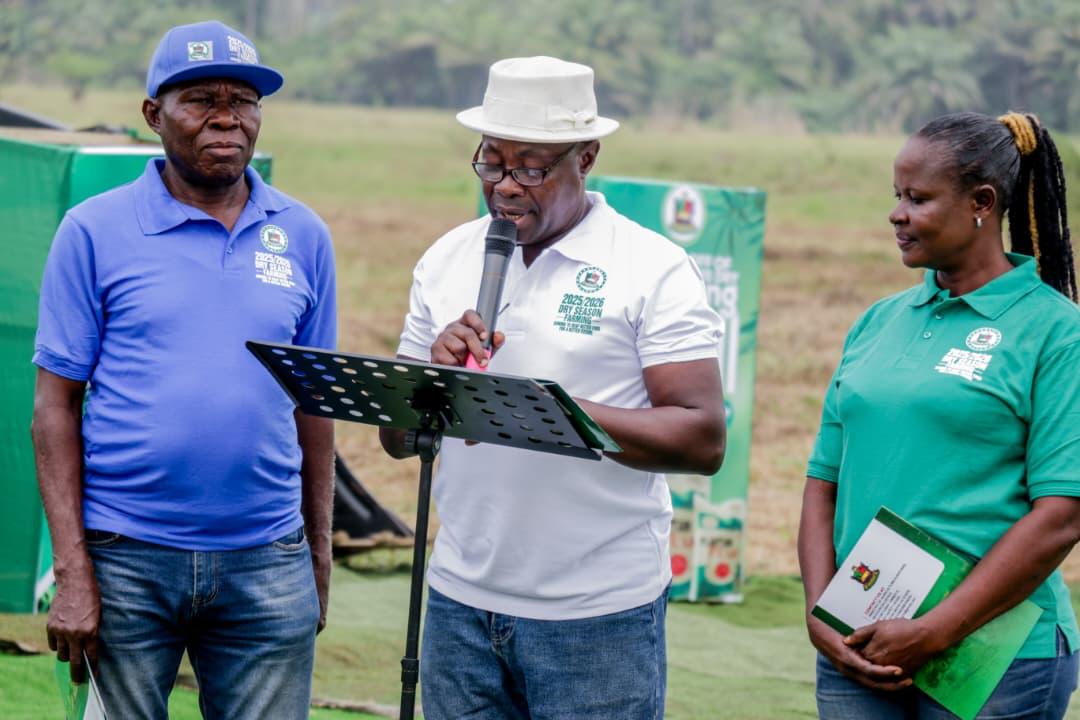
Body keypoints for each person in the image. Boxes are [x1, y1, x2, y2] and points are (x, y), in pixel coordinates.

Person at [379, 56, 725, 719]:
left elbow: (702, 435)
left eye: (532, 167)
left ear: (586, 156)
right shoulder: (447, 257)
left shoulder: (652, 267)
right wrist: (433, 380)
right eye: (491, 162)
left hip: (596, 614)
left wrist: (547, 411)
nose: (506, 187)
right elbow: (399, 441)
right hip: (459, 602)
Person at [31, 20, 336, 720]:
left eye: (244, 99)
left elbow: (313, 406)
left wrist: (317, 552)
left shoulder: (303, 234)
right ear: (153, 115)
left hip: (267, 558)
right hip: (127, 557)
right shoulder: (93, 230)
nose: (227, 116)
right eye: (201, 98)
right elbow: (54, 408)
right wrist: (74, 572)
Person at [798, 111, 1080, 719]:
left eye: (918, 198)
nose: (897, 214)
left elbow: (1062, 513)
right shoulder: (877, 322)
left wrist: (937, 628)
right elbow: (823, 482)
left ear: (983, 202)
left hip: (994, 655)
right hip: (860, 639)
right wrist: (819, 611)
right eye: (896, 197)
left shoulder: (1057, 333)